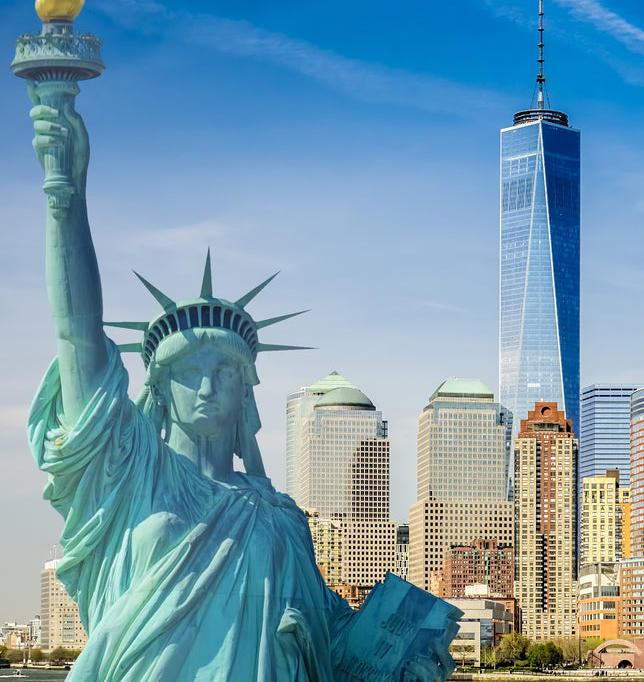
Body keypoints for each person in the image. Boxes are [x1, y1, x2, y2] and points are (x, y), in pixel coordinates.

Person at [26, 87, 456, 680]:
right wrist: (65, 199)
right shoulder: (129, 475)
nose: (206, 384)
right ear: (160, 385)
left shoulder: (280, 517)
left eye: (224, 371)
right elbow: (77, 336)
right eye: (187, 371)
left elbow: (331, 641)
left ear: (245, 391)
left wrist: (407, 653)